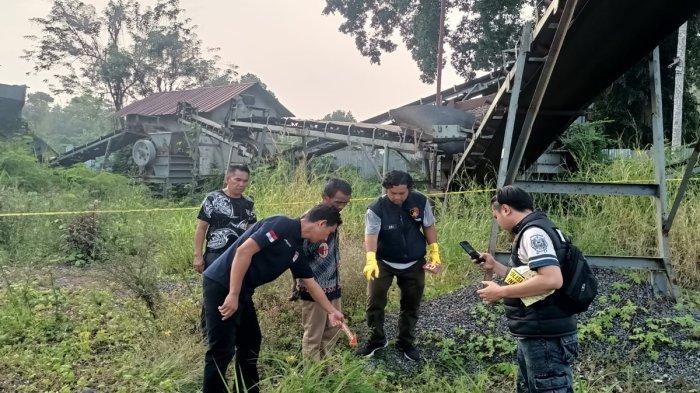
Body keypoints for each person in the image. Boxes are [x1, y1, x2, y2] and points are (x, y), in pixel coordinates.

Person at [201, 204, 345, 393]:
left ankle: (247, 389)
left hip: (242, 291)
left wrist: (332, 311)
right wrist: (233, 294)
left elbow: (311, 284)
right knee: (222, 349)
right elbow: (244, 251)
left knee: (251, 342)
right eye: (328, 232)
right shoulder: (281, 224)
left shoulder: (296, 248)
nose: (326, 238)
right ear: (321, 223)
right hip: (222, 285)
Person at [475, 185, 578, 393]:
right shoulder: (538, 227)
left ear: (505, 209)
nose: (498, 221)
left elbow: (551, 279)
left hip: (545, 335)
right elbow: (531, 278)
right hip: (538, 331)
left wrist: (501, 292)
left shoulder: (533, 234)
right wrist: (496, 266)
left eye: (495, 216)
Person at [355, 170, 442, 362]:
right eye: (392, 193)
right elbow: (371, 235)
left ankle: (405, 342)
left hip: (414, 263)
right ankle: (376, 340)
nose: (397, 197)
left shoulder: (420, 201)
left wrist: (434, 251)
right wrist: (370, 259)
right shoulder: (376, 208)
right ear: (386, 189)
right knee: (375, 303)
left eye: (402, 193)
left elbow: (428, 225)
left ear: (409, 189)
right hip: (383, 262)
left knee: (411, 304)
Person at [293, 178, 352, 360]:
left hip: (333, 285)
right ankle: (312, 377)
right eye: (337, 202)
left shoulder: (333, 218)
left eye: (345, 203)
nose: (341, 206)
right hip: (313, 288)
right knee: (313, 335)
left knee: (332, 331)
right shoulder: (309, 220)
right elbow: (297, 257)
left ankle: (326, 373)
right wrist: (296, 283)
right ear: (324, 197)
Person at [194, 164, 257, 332]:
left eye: (245, 181)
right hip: (216, 254)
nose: (242, 184)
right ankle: (208, 332)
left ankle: (232, 329)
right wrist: (198, 255)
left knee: (237, 291)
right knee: (213, 293)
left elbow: (253, 231)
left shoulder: (248, 203)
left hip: (239, 256)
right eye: (238, 180)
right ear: (228, 179)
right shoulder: (212, 199)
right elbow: (201, 228)